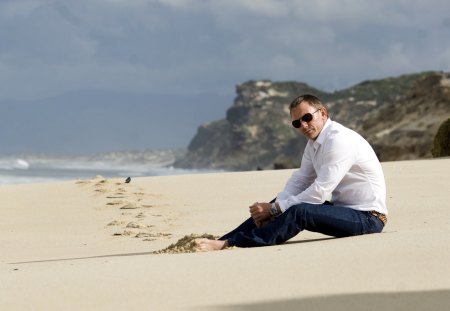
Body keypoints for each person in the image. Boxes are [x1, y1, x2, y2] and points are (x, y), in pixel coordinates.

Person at [196, 94, 387, 251]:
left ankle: (232, 244)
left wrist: (276, 210)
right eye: (297, 123)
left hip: (368, 218)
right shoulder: (314, 144)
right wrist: (274, 208)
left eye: (306, 118)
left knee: (299, 211)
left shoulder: (339, 141)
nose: (303, 125)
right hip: (345, 210)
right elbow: (300, 181)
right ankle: (224, 240)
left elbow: (319, 192)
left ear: (322, 113)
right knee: (279, 203)